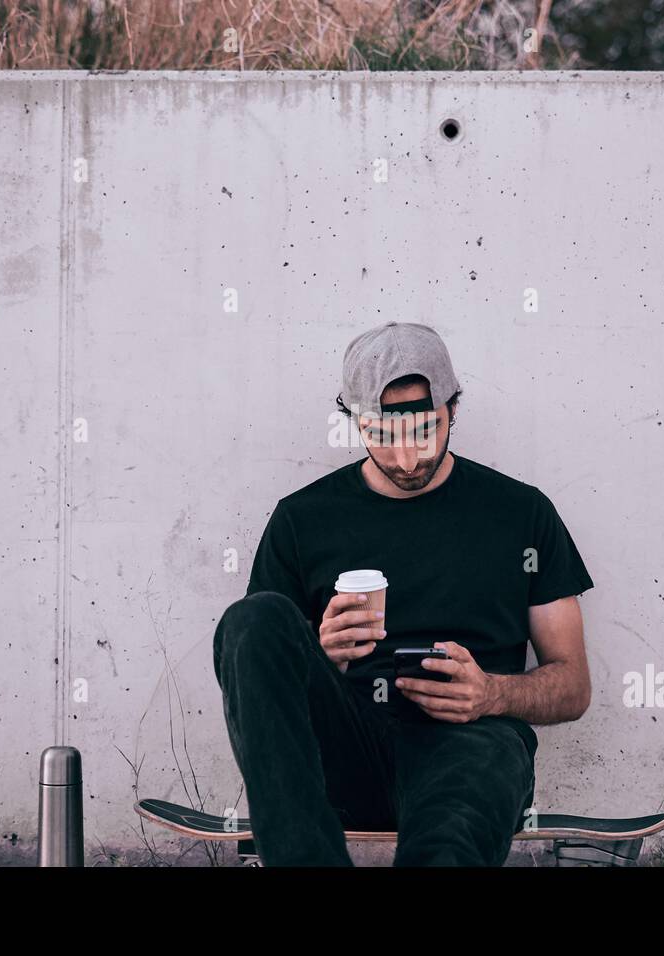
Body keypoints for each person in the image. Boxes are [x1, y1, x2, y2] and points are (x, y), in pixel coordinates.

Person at [212, 321, 594, 866]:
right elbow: (260, 675)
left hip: (470, 748)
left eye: (424, 431)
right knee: (251, 620)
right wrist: (320, 658)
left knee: (453, 835)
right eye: (383, 436)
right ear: (354, 422)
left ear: (453, 410)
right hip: (342, 755)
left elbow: (574, 685)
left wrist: (493, 694)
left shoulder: (521, 513)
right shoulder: (302, 520)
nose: (407, 460)